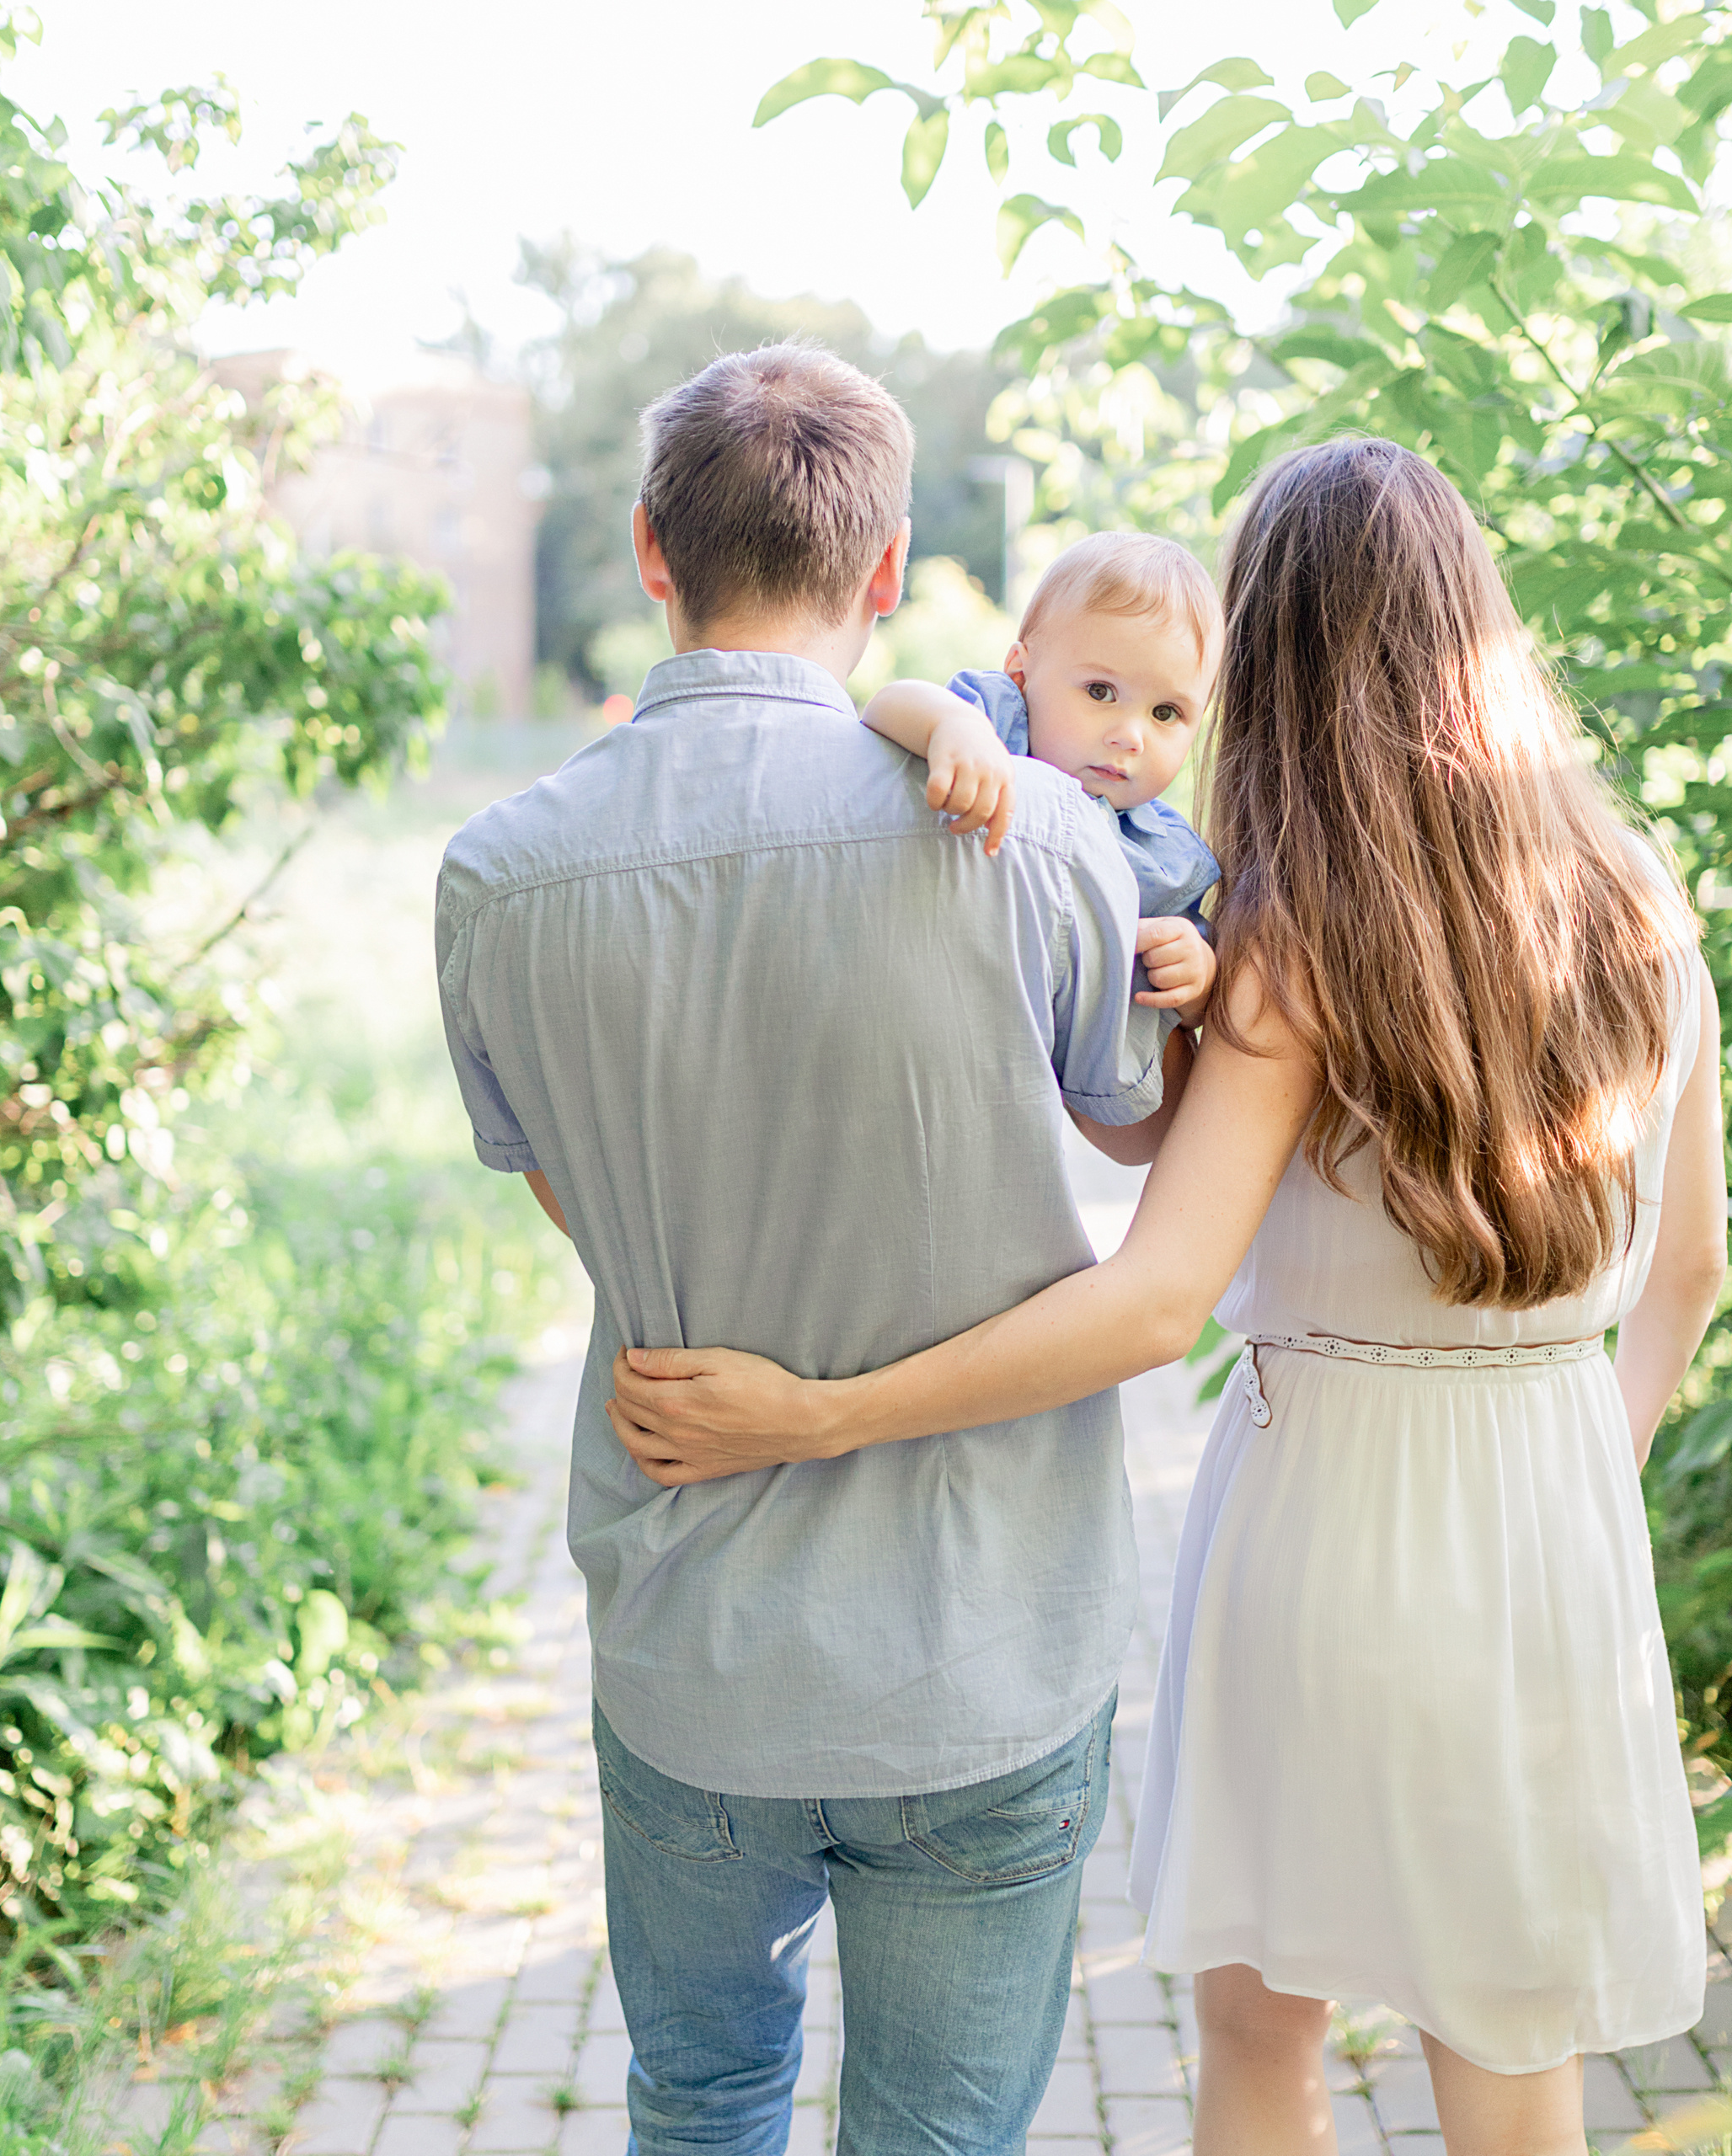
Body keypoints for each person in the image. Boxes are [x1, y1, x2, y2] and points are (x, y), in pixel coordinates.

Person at [606, 435, 1728, 2156]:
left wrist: (818, 1414)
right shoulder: (1638, 904)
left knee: (1261, 2034)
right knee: (1512, 2047)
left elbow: (1148, 1305)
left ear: (1267, 663)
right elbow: (1689, 1273)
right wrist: (1574, 1487)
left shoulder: (1293, 944)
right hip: (1555, 1528)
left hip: (1325, 1525)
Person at [433, 342, 1184, 2156]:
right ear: (885, 566)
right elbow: (1133, 1119)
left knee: (699, 2107)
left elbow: (575, 1198)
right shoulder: (1045, 844)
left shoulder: (495, 877)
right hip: (983, 1643)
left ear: (648, 547)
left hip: (692, 1640)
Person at [861, 530, 1223, 1025]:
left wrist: (1197, 978)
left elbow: (1189, 1015)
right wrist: (950, 725)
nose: (1130, 736)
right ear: (1020, 674)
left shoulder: (1164, 857)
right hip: (936, 993)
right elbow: (885, 706)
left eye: (1165, 712)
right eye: (1100, 691)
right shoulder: (994, 726)